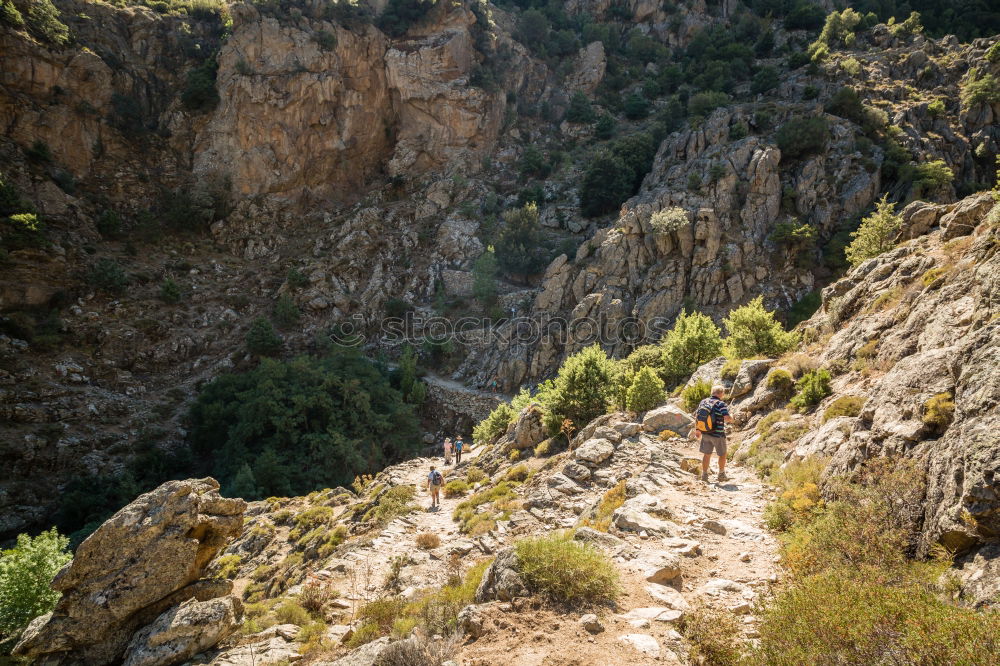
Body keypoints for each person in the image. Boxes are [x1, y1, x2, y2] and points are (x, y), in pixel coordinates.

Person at [694, 385, 734, 483]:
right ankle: (721, 474)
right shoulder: (721, 404)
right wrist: (732, 417)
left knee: (706, 455)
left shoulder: (703, 402)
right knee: (722, 454)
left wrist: (697, 430)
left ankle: (704, 475)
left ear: (712, 392)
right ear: (721, 393)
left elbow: (697, 416)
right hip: (718, 434)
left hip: (706, 433)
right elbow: (727, 418)